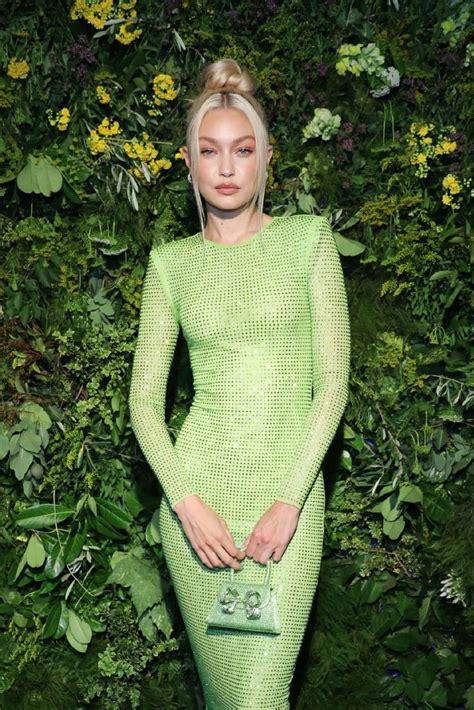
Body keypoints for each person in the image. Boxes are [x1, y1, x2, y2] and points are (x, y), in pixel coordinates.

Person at [128, 57, 351, 710]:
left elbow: (332, 384)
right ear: (189, 163)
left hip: (291, 497)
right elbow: (144, 403)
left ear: (266, 158)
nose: (226, 167)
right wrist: (186, 503)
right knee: (227, 699)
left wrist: (290, 500)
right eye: (210, 151)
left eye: (243, 150)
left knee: (259, 697)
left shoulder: (308, 242)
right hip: (202, 509)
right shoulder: (170, 265)